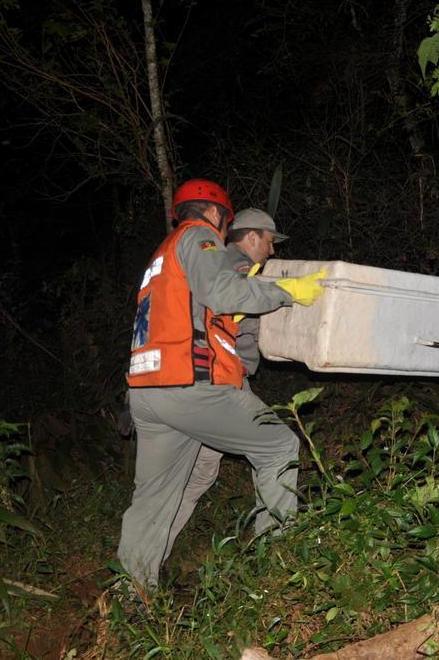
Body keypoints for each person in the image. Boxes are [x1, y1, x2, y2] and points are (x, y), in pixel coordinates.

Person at [119, 180, 324, 590]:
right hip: (189, 386)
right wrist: (287, 291)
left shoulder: (161, 255)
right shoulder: (198, 238)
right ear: (217, 215)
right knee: (280, 446)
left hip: (147, 391)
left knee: (156, 496)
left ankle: (132, 594)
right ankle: (276, 567)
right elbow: (222, 291)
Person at [162, 207, 288, 563]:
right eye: (269, 241)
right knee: (277, 450)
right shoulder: (234, 263)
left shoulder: (223, 262)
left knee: (197, 475)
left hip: (200, 380)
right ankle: (278, 555)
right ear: (251, 237)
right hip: (220, 381)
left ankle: (144, 568)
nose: (272, 250)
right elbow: (229, 300)